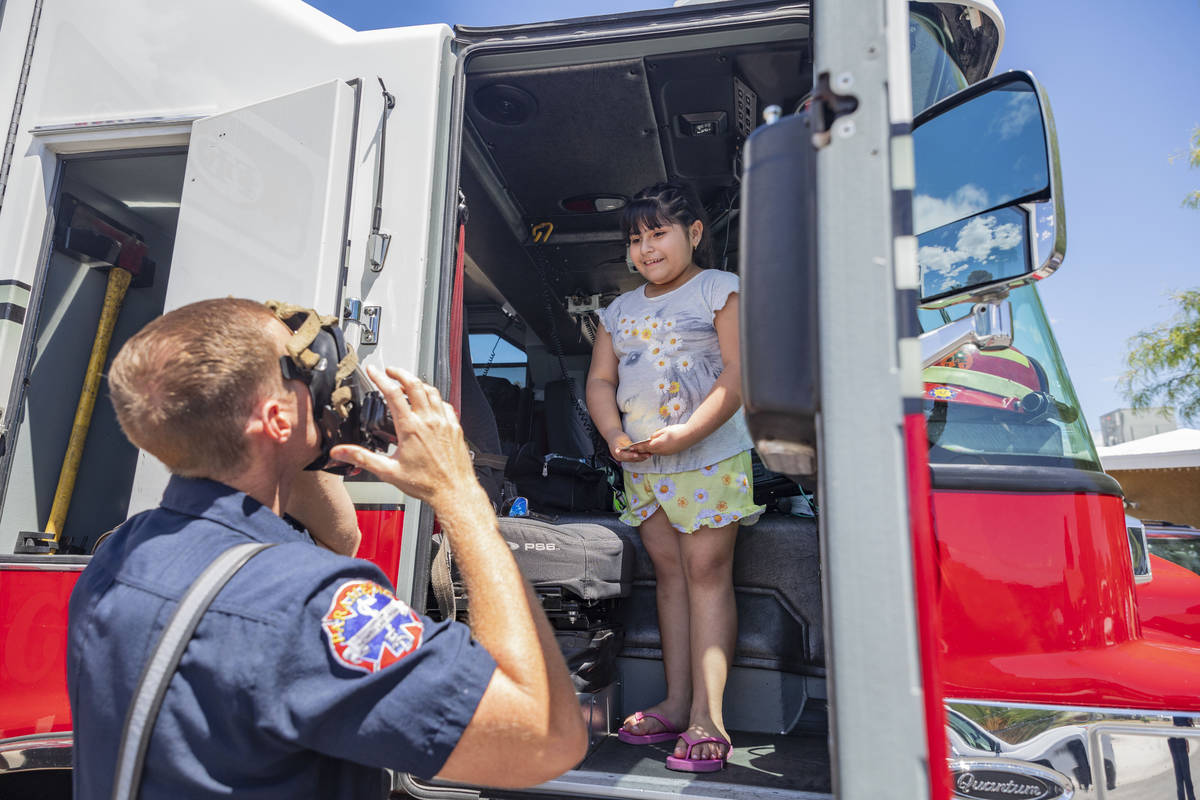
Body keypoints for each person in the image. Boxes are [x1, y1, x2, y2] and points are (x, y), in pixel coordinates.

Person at [67, 298, 586, 798]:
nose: (326, 380)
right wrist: (459, 492)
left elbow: (340, 539)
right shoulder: (306, 604)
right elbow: (544, 737)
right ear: (275, 420)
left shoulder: (121, 553)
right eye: (304, 370)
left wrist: (302, 448)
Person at [586, 182, 765, 772]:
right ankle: (675, 700)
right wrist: (614, 435)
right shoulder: (618, 310)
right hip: (645, 466)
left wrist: (686, 434)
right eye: (635, 238)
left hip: (708, 460)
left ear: (693, 233)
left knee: (707, 576)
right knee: (670, 579)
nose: (645, 247)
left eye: (658, 232)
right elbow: (601, 383)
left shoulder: (720, 289)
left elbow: (738, 377)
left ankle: (707, 719)